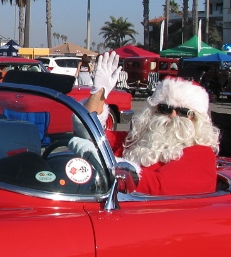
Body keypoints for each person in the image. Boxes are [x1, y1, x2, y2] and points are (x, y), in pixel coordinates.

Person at [84, 53, 219, 195]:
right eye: (164, 108)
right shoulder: (134, 141)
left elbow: (158, 186)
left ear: (196, 118)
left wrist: (108, 163)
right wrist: (99, 95)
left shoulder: (202, 154)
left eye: (183, 112)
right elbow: (91, 135)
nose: (172, 115)